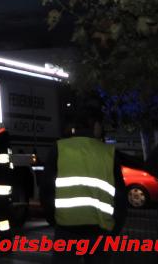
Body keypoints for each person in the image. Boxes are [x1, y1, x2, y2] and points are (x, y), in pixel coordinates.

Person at [40, 106, 126, 264]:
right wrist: (114, 229)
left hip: (66, 230)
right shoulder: (108, 153)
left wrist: (54, 220)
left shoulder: (59, 148)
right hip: (100, 232)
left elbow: (46, 189)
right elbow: (120, 198)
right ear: (95, 125)